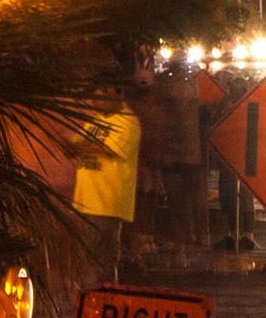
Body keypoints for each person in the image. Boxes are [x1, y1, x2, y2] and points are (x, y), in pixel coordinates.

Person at [71, 84, 144, 283]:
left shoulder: (127, 122)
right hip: (85, 200)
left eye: (98, 98)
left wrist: (80, 147)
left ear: (112, 92)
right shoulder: (95, 120)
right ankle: (92, 296)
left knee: (100, 257)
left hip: (107, 202)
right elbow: (75, 146)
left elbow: (106, 149)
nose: (94, 104)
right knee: (90, 255)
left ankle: (101, 297)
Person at [147, 66, 210, 248]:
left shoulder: (166, 101)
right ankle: (194, 235)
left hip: (180, 157)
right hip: (186, 157)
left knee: (182, 200)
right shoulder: (192, 100)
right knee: (190, 199)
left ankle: (187, 236)